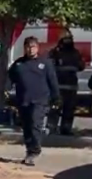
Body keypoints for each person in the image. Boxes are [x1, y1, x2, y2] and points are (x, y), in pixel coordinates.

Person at [7, 36, 60, 166]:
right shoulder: (19, 64)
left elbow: (53, 81)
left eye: (33, 47)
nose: (30, 50)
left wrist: (56, 97)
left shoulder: (45, 63)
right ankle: (29, 150)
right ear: (24, 48)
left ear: (37, 48)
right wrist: (6, 90)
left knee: (35, 124)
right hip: (23, 100)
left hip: (40, 100)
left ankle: (35, 150)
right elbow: (9, 78)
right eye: (28, 47)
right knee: (26, 127)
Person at [47, 35, 85, 135]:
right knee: (66, 109)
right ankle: (62, 129)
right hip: (66, 86)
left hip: (61, 86)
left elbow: (81, 66)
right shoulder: (74, 53)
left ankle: (53, 128)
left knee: (59, 108)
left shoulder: (56, 52)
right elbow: (81, 66)